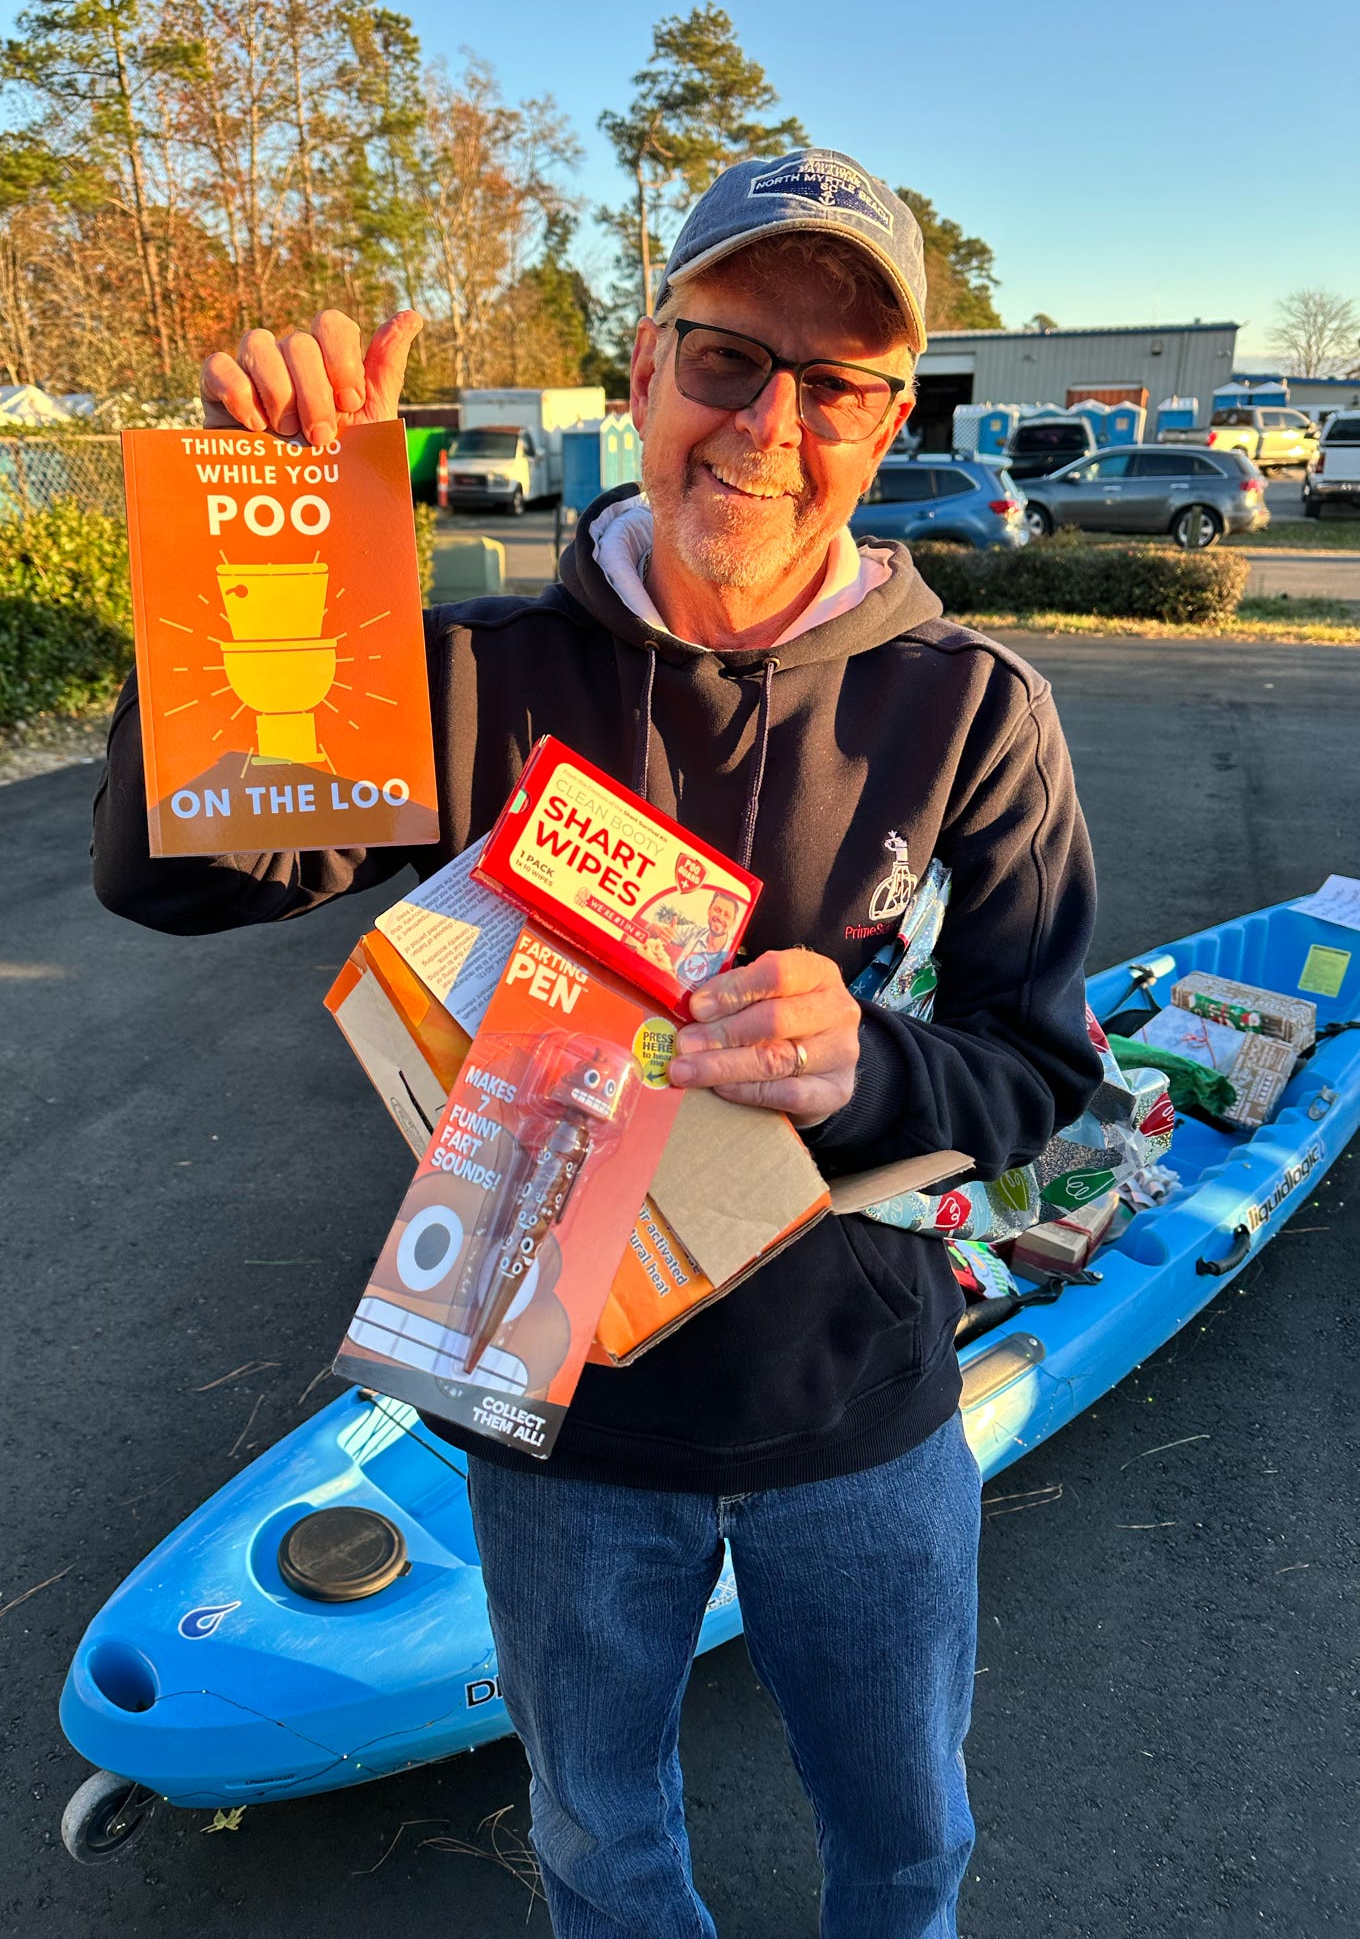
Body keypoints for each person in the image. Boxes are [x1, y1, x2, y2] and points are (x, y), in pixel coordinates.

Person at [93, 146, 1103, 1939]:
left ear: (888, 424)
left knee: (905, 1842)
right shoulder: (469, 676)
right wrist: (262, 541)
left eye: (836, 384)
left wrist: (867, 1066)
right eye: (728, 358)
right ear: (644, 371)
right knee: (598, 1845)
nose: (769, 424)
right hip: (552, 1428)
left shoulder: (971, 711)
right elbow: (187, 875)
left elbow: (1036, 1071)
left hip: (859, 1421)